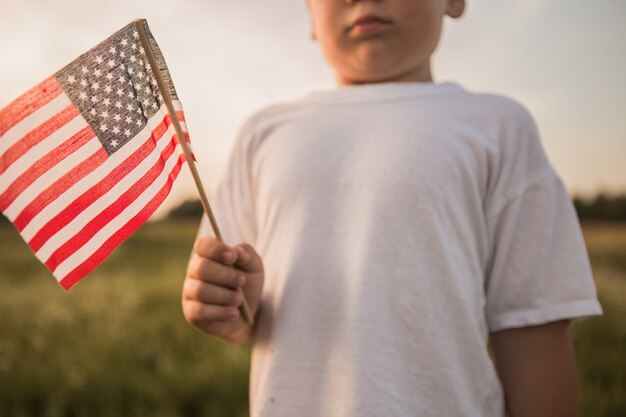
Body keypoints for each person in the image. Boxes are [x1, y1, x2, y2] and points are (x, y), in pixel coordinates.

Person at [182, 1, 602, 416]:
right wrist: (229, 304)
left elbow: (532, 328)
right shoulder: (263, 134)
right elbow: (244, 319)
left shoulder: (499, 127)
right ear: (310, 14)